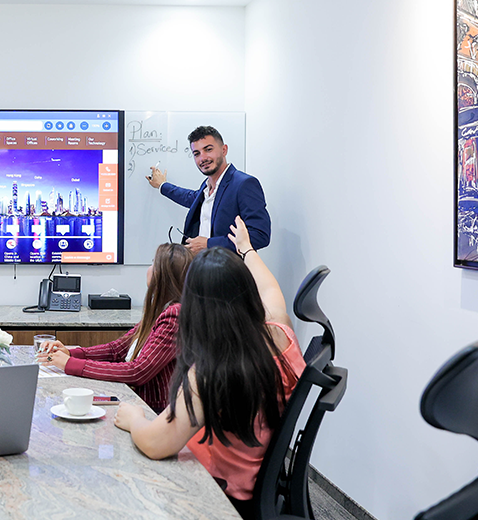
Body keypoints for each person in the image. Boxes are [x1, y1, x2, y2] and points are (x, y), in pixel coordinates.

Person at [113, 216, 305, 514]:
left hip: (216, 495)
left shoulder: (211, 373)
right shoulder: (280, 333)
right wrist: (246, 250)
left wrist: (134, 417)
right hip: (253, 482)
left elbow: (154, 443)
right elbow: (270, 289)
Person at [36, 243, 192, 412]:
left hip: (155, 411)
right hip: (139, 402)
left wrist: (70, 364)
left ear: (164, 274)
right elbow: (116, 350)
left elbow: (137, 371)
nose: (148, 268)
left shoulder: (174, 315)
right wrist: (71, 353)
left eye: (153, 263)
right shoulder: (161, 310)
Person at [146, 126, 271, 255]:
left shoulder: (244, 184)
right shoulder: (206, 187)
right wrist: (162, 185)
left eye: (208, 150)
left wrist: (208, 244)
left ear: (224, 150)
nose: (203, 158)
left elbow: (259, 235)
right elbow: (189, 198)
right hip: (200, 268)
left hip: (229, 271)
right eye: (197, 153)